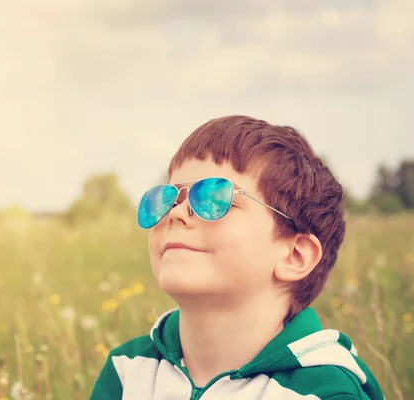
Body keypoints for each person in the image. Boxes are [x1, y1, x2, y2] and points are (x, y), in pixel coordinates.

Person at [89, 116, 384, 400]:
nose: (175, 213)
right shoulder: (128, 372)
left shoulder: (324, 391)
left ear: (294, 255)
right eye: (165, 199)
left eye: (213, 198)